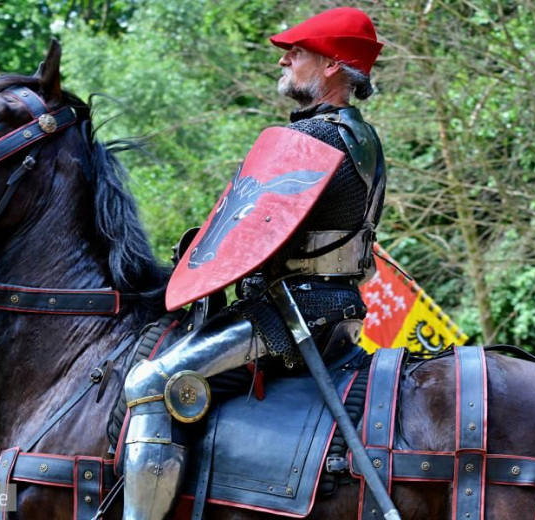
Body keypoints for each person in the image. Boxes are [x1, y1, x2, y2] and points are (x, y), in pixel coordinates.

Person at [122, 7, 386, 519]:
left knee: (149, 384)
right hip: (338, 310)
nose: (285, 60)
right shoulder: (359, 137)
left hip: (294, 314)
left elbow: (254, 246)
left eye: (298, 52)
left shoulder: (318, 141)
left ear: (332, 65)